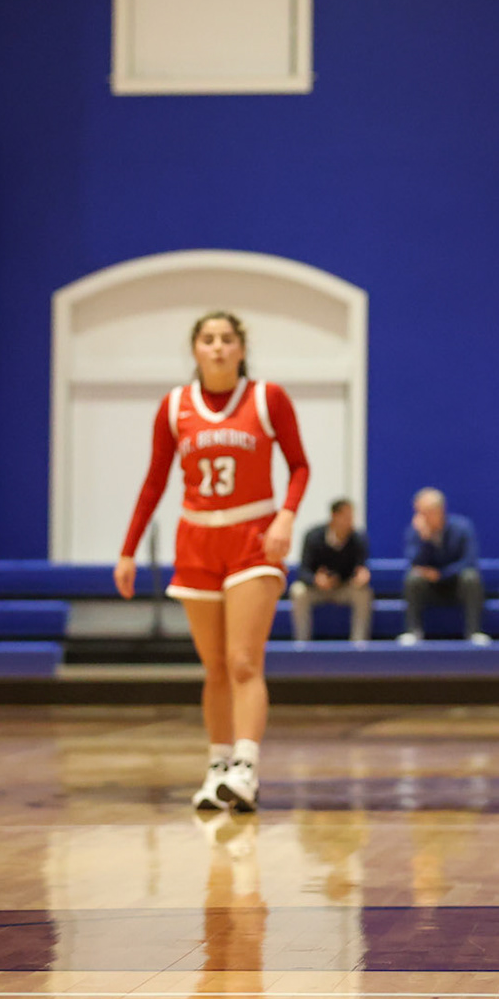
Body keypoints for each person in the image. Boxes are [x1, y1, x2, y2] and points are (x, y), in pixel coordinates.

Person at [114, 311, 308, 814]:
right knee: (215, 667)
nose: (218, 347)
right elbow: (155, 480)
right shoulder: (175, 406)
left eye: (227, 339)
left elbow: (299, 465)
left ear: (241, 348)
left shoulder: (268, 398)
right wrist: (129, 549)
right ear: (195, 349)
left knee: (244, 661)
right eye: (208, 339)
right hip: (196, 539)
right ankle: (219, 766)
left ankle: (247, 765)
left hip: (252, 537)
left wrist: (286, 517)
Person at [398, 488, 488, 646]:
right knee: (412, 579)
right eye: (418, 512)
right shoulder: (415, 532)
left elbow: (469, 560)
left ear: (439, 511)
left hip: (456, 583)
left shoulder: (462, 527)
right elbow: (414, 562)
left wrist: (442, 574)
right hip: (429, 587)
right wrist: (425, 540)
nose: (420, 516)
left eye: (424, 512)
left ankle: (474, 632)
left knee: (471, 577)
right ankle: (413, 631)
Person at [288, 499, 373, 644]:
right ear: (334, 516)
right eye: (346, 517)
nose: (350, 521)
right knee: (298, 591)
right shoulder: (313, 536)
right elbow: (303, 571)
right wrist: (315, 579)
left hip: (344, 588)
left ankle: (359, 643)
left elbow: (360, 567)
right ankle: (302, 643)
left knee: (364, 594)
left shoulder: (358, 539)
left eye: (351, 517)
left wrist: (362, 575)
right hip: (317, 589)